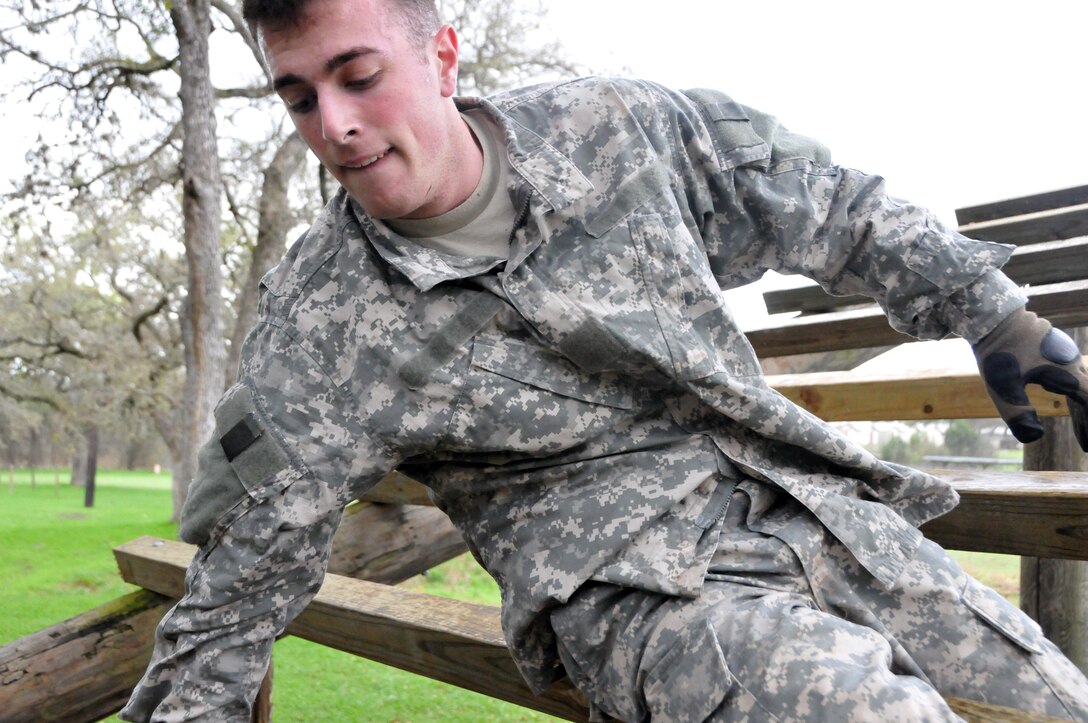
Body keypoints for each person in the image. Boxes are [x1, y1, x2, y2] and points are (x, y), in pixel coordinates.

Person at [120, 0, 1088, 720]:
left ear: (442, 54)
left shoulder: (615, 129)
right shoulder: (321, 326)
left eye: (357, 76)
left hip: (817, 515)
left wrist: (991, 315)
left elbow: (823, 201)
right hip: (631, 590)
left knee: (1048, 701)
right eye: (299, 97)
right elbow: (238, 585)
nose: (332, 125)